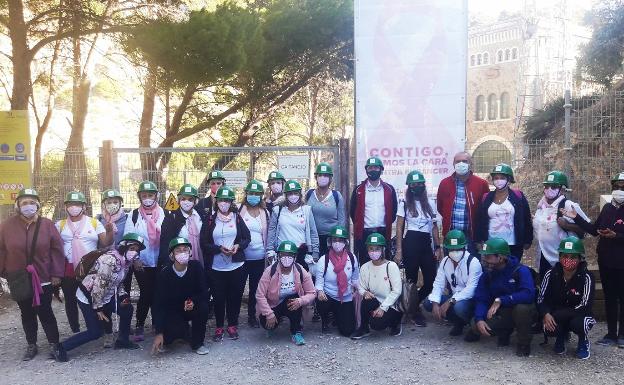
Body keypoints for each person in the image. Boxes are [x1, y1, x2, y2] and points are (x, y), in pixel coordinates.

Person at [0, 188, 67, 362]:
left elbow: (57, 250)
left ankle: (54, 343)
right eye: (24, 203)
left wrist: (56, 273)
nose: (28, 206)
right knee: (26, 313)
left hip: (43, 277)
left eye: (31, 203)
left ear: (37, 205)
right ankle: (32, 344)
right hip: (19, 278)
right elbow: (1, 250)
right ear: (17, 206)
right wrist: (4, 271)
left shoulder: (47, 225)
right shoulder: (6, 226)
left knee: (45, 311)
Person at [561, 171, 624, 347]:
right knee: (610, 297)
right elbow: (594, 229)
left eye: (623, 187)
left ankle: (622, 335)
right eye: (617, 186)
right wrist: (577, 219)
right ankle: (611, 334)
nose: (619, 190)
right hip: (606, 260)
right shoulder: (608, 208)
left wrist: (616, 236)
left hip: (622, 262)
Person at [61, 233, 145, 353]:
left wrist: (123, 295)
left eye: (137, 250)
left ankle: (123, 341)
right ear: (124, 247)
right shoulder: (109, 260)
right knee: (95, 332)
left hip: (105, 295)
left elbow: (117, 282)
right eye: (132, 248)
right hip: (88, 296)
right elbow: (98, 285)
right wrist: (98, 308)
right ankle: (61, 347)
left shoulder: (125, 262)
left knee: (127, 309)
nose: (135, 252)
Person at [464, 238, 537, 357]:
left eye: (488, 257)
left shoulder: (521, 270)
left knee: (521, 309)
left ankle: (524, 342)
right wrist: (479, 319)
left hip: (522, 310)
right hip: (502, 312)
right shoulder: (487, 274)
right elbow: (481, 298)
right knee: (475, 325)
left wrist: (502, 299)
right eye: (484, 257)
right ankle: (504, 331)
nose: (484, 260)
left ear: (501, 257)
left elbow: (528, 294)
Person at [56, 191, 113, 334]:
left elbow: (106, 242)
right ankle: (75, 330)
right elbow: (54, 249)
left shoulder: (94, 222)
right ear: (65, 207)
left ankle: (98, 328)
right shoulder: (60, 225)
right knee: (70, 300)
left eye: (77, 204)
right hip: (68, 268)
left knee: (94, 297)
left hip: (90, 268)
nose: (73, 207)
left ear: (84, 207)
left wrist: (110, 232)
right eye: (70, 204)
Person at [200, 186, 250, 342]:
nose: (224, 203)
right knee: (219, 298)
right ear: (217, 201)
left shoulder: (237, 218)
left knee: (234, 297)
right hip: (216, 267)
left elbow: (247, 238)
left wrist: (238, 246)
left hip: (236, 266)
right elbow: (203, 243)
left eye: (227, 200)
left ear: (231, 202)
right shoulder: (210, 219)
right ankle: (220, 326)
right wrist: (218, 249)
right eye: (221, 200)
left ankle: (232, 325)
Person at [395, 170, 441, 326]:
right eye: (414, 184)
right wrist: (399, 250)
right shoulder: (404, 202)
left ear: (424, 185)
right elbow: (399, 227)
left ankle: (411, 305)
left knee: (431, 280)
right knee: (411, 280)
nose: (417, 186)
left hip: (426, 244)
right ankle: (414, 312)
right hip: (411, 242)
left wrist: (438, 246)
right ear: (409, 186)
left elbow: (434, 227)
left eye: (420, 183)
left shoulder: (430, 202)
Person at [538, 236, 595, 359]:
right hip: (556, 312)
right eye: (564, 256)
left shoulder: (587, 277)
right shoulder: (550, 274)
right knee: (550, 326)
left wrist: (557, 314)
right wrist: (546, 314)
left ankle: (583, 341)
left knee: (579, 324)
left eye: (573, 257)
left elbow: (585, 305)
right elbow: (541, 299)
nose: (568, 260)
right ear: (559, 257)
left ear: (580, 258)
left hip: (579, 314)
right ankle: (561, 336)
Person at [151, 237, 210, 355]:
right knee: (169, 339)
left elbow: (204, 291)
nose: (183, 253)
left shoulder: (196, 267)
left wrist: (193, 301)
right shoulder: (165, 273)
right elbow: (159, 304)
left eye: (185, 250)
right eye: (178, 250)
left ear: (190, 253)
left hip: (192, 305)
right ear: (172, 255)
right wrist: (159, 333)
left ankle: (197, 343)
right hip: (173, 310)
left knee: (203, 307)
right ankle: (182, 332)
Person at [123, 180, 164, 342]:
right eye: (144, 195)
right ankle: (140, 324)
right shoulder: (133, 215)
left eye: (150, 195)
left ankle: (156, 323)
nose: (147, 198)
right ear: (140, 197)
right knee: (146, 293)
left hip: (160, 261)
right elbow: (129, 239)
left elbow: (167, 236)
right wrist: (136, 259)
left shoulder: (164, 213)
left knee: (158, 293)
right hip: (142, 263)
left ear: (156, 196)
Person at [256, 240, 316, 346]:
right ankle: (274, 322)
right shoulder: (270, 271)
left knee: (294, 298)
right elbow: (260, 294)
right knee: (267, 323)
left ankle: (296, 331)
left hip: (291, 304)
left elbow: (312, 292)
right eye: (283, 255)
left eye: (290, 255)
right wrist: (269, 314)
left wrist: (301, 300)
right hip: (273, 304)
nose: (286, 258)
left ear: (295, 257)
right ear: (278, 256)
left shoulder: (300, 271)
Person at [423, 230, 482, 336]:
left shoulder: (473, 262)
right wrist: (436, 303)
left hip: (470, 300)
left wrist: (451, 300)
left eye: (458, 248)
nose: (455, 252)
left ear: (464, 247)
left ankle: (472, 325)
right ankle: (458, 322)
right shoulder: (445, 262)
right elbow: (438, 283)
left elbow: (471, 290)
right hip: (454, 297)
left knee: (459, 307)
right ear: (447, 249)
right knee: (428, 303)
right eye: (452, 249)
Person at [533, 171, 589, 278]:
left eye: (554, 187)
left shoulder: (569, 206)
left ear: (562, 189)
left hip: (563, 257)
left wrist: (568, 226)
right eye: (546, 186)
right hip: (543, 256)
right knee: (547, 289)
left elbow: (586, 229)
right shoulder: (541, 206)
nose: (549, 189)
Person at [351, 233, 403, 339]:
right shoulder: (365, 267)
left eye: (377, 248)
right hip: (375, 301)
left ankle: (396, 322)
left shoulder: (391, 266)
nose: (374, 252)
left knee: (377, 325)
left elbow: (397, 291)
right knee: (366, 300)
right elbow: (361, 286)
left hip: (390, 304)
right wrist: (364, 292)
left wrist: (383, 308)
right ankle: (364, 328)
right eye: (371, 248)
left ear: (383, 249)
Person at [475, 163, 533, 259]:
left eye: (502, 177)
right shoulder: (486, 197)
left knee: (511, 271)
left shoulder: (518, 196)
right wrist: (478, 240)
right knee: (492, 270)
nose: (498, 180)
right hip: (491, 244)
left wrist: (528, 240)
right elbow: (479, 220)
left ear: (509, 179)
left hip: (513, 245)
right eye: (496, 178)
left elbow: (527, 219)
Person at [437, 151, 490, 255]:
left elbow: (485, 209)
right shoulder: (444, 183)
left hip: (472, 235)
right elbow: (440, 207)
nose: (461, 164)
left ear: (470, 164)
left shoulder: (481, 184)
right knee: (451, 266)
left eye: (464, 161)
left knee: (472, 266)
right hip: (451, 234)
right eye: (458, 161)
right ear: (453, 164)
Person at [350, 156, 398, 264]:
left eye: (376, 168)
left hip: (383, 233)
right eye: (370, 168)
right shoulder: (358, 190)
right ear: (366, 170)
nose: (373, 170)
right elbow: (353, 213)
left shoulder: (389, 189)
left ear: (381, 170)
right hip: (364, 235)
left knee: (384, 265)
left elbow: (393, 212)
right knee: (364, 265)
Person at [315, 225, 359, 336]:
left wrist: (358, 291)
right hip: (329, 295)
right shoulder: (323, 260)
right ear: (330, 242)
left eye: (340, 240)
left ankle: (337, 316)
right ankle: (325, 319)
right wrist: (320, 292)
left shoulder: (352, 258)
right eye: (335, 240)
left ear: (346, 242)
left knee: (348, 331)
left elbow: (355, 279)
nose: (337, 243)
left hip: (346, 296)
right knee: (321, 302)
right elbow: (319, 283)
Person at [267, 180, 319, 271]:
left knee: (301, 280)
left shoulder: (306, 210)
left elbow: (313, 232)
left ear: (300, 194)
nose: (293, 196)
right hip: (282, 252)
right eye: (290, 193)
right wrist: (270, 251)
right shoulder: (277, 210)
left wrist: (315, 252)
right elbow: (272, 231)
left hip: (301, 252)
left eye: (296, 193)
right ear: (285, 195)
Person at [240, 180, 270, 328]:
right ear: (246, 194)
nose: (254, 196)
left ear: (261, 196)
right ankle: (233, 317)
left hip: (259, 258)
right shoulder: (240, 210)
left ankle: (252, 315)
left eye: (257, 194)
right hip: (241, 258)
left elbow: (268, 233)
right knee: (238, 287)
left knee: (255, 288)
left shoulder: (265, 212)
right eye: (251, 193)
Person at [158, 184, 204, 269]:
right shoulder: (172, 218)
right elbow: (165, 243)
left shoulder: (200, 215)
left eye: (190, 199)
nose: (186, 202)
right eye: (183, 199)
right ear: (179, 200)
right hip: (179, 263)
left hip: (200, 260)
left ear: (195, 201)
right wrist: (167, 263)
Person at [306, 163, 346, 257]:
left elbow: (341, 220)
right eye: (320, 175)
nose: (322, 178)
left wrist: (338, 240)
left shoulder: (336, 195)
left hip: (331, 239)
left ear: (330, 178)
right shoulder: (309, 194)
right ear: (316, 177)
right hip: (312, 239)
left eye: (325, 175)